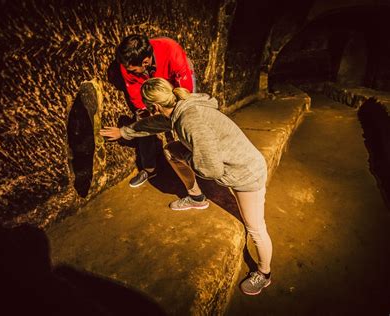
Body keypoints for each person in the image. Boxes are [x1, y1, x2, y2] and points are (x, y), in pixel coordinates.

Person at [100, 77, 273, 296]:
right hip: (236, 164)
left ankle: (264, 273)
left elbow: (212, 170)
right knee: (172, 150)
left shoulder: (189, 120)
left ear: (155, 106)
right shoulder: (180, 107)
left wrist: (190, 158)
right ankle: (196, 198)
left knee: (255, 229)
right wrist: (124, 132)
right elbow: (154, 124)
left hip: (246, 174)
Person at [110, 34, 195, 188]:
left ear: (146, 61)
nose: (128, 71)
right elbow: (134, 90)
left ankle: (191, 160)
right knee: (143, 121)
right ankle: (149, 169)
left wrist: (171, 111)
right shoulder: (127, 63)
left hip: (175, 84)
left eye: (132, 70)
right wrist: (144, 111)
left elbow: (185, 89)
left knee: (185, 117)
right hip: (149, 88)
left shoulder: (171, 50)